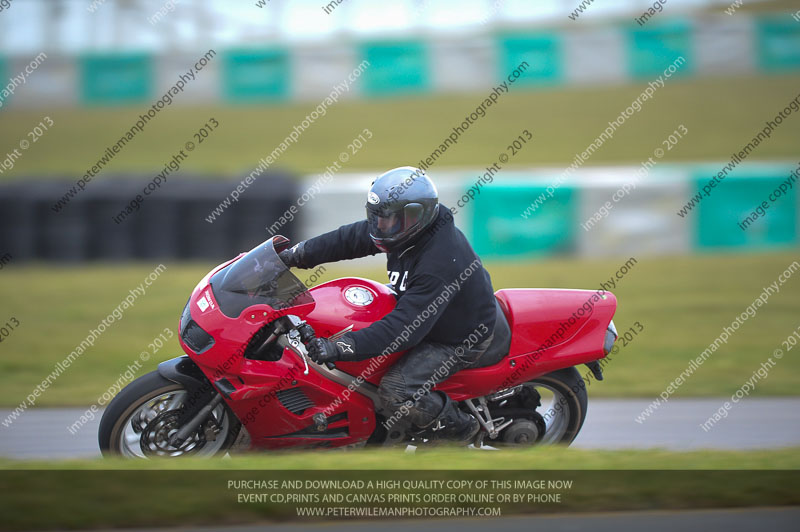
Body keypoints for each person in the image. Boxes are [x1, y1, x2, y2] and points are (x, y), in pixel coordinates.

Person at [279, 166, 498, 442]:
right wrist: (292, 256)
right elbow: (348, 239)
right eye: (377, 217)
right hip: (425, 315)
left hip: (456, 337)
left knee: (397, 392)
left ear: (417, 216)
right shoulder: (407, 231)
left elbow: (404, 329)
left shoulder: (439, 261)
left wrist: (341, 348)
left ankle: (464, 429)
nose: (381, 226)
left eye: (390, 220)